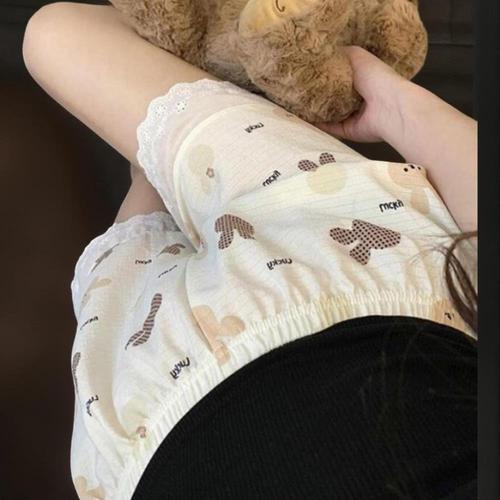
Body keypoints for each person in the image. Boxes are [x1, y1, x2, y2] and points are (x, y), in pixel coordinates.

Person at [23, 3, 477, 499]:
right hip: (344, 276)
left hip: (148, 415)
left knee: (71, 55)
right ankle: (256, 65)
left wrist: (395, 104)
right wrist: (395, 104)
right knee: (54, 37)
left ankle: (247, 68)